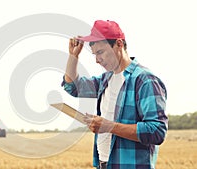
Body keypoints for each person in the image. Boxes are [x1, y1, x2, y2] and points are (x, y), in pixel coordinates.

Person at [61, 20, 168, 169]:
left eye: (100, 52)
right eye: (94, 54)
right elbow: (72, 87)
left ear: (118, 44)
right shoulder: (105, 79)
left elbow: (157, 131)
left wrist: (108, 126)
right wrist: (73, 57)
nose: (97, 60)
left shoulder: (145, 81)